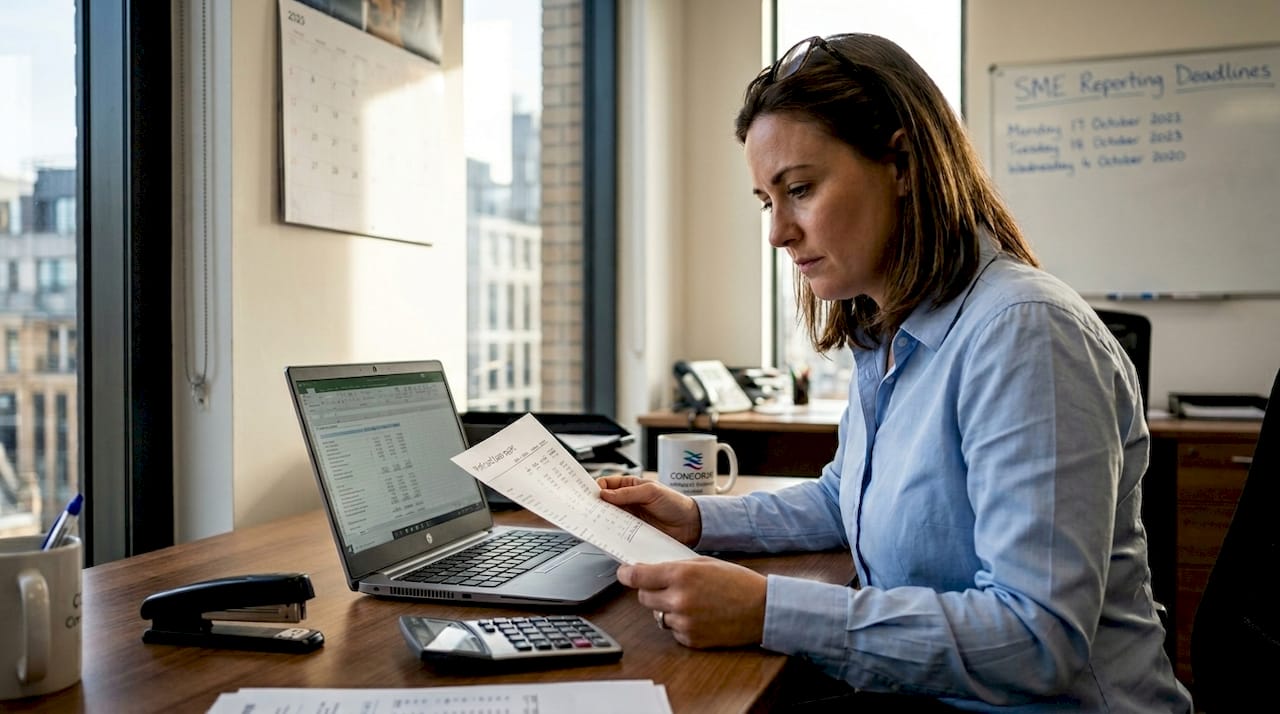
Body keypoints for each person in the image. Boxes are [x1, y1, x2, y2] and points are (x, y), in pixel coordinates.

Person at [598, 33, 1192, 711]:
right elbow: (844, 495)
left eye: (799, 189)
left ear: (902, 164)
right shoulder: (887, 331)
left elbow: (1039, 639)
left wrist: (768, 610)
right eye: (768, 201)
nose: (778, 233)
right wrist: (697, 520)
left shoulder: (1023, 333)